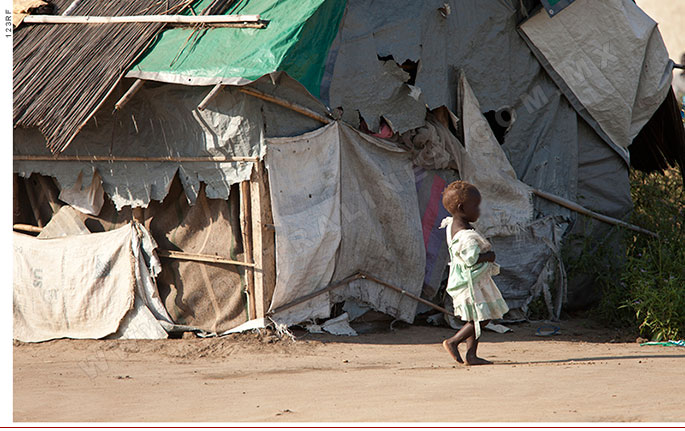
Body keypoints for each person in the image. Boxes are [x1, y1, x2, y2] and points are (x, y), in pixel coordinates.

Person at [439, 180, 509, 365]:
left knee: (475, 317)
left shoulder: (452, 225)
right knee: (482, 318)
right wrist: (488, 256)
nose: (479, 210)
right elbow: (471, 259)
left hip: (466, 279)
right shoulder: (466, 236)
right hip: (470, 282)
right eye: (476, 206)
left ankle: (472, 355)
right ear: (462, 208)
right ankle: (453, 342)